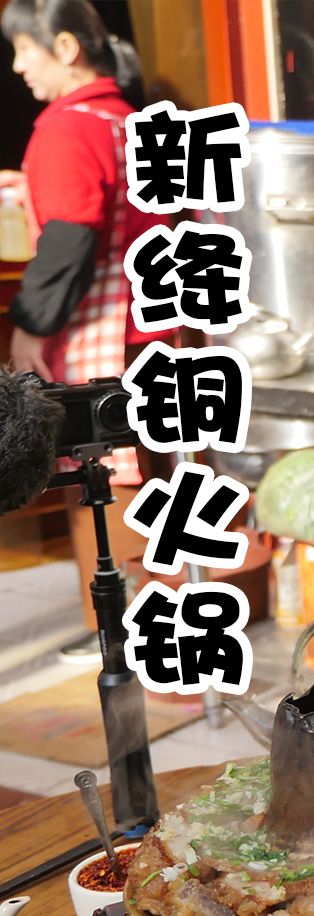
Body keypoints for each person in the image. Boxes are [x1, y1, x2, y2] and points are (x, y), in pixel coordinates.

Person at [3, 0, 175, 645]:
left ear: (67, 47)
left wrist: (30, 324)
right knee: (153, 478)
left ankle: (123, 641)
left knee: (98, 478)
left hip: (99, 337)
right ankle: (163, 632)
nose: (18, 67)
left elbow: (71, 234)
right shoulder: (127, 121)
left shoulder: (67, 126)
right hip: (152, 330)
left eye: (25, 49)